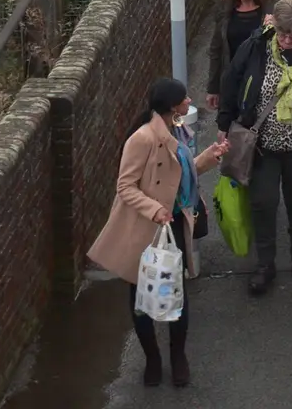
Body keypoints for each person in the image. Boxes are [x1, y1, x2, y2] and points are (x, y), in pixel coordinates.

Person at [89, 77, 227, 388]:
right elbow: (125, 186)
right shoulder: (142, 138)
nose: (189, 101)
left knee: (175, 294)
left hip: (175, 223)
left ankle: (178, 357)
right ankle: (152, 359)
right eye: (183, 98)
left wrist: (209, 157)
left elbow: (182, 171)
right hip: (147, 227)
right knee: (142, 297)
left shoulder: (177, 129)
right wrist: (154, 209)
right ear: (170, 105)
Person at [217, 0, 292, 294]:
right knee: (263, 202)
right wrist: (223, 125)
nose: (287, 40)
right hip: (262, 145)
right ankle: (265, 264)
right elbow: (231, 82)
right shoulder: (255, 46)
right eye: (282, 34)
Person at [207, 0, 275, 106]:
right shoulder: (224, 10)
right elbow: (216, 50)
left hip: (264, 82)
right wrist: (213, 88)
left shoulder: (273, 7)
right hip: (233, 82)